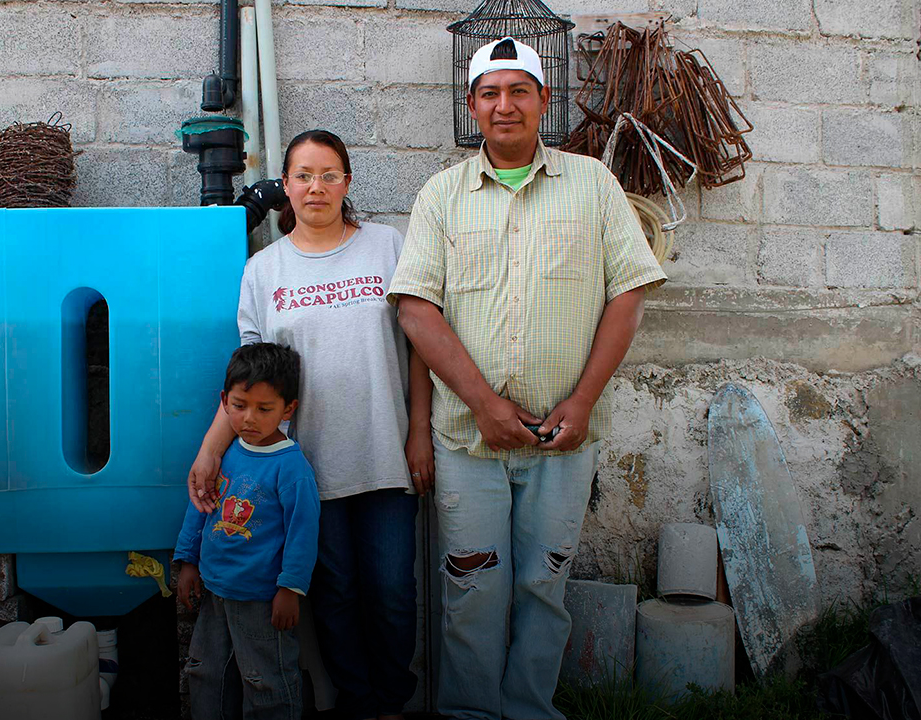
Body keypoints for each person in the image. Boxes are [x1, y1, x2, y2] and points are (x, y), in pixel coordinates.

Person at [388, 37, 667, 719]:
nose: (504, 105)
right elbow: (418, 310)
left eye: (519, 91)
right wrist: (482, 404)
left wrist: (583, 399)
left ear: (544, 101)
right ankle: (472, 713)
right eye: (490, 93)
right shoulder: (442, 196)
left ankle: (529, 710)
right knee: (472, 591)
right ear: (473, 106)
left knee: (545, 586)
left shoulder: (593, 185)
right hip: (468, 441)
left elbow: (627, 294)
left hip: (561, 439)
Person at [188, 129, 434, 720]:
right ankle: (356, 703)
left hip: (385, 456)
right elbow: (250, 383)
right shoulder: (264, 270)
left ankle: (393, 705)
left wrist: (420, 430)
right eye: (303, 175)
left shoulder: (386, 247)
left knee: (395, 595)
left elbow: (423, 346)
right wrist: (209, 452)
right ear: (286, 187)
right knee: (335, 595)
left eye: (328, 174)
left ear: (347, 182)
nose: (316, 187)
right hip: (301, 473)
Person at [174, 342, 320, 720]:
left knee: (266, 681)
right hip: (214, 593)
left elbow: (303, 534)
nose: (249, 419)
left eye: (264, 409)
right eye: (240, 406)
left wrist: (290, 589)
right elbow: (201, 507)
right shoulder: (226, 454)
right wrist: (187, 560)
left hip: (262, 601)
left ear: (288, 409)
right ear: (224, 401)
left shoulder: (292, 469)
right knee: (206, 673)